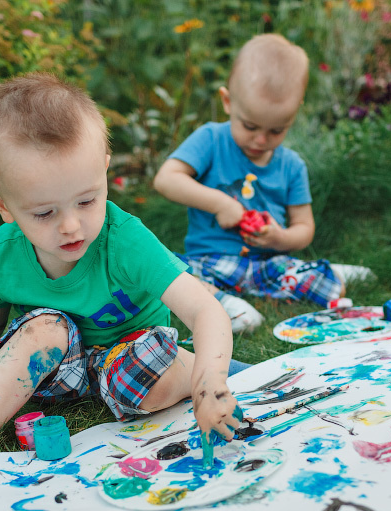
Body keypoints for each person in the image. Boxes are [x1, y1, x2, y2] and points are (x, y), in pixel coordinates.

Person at [0, 73, 241, 452]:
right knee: (43, 328)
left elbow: (204, 311)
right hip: (59, 371)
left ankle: (189, 368)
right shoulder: (2, 255)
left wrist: (209, 383)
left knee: (142, 375)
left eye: (86, 201)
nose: (70, 226)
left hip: (134, 362)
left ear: (104, 170)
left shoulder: (125, 240)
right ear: (2, 205)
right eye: (45, 213)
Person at [153, 33, 373, 334]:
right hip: (210, 261)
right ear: (228, 102)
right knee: (172, 273)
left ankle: (328, 273)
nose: (260, 140)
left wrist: (278, 239)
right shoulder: (210, 140)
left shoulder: (292, 166)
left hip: (269, 264)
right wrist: (220, 203)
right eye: (250, 126)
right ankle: (225, 306)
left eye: (275, 131)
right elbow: (166, 179)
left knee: (302, 276)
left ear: (293, 115)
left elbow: (304, 229)